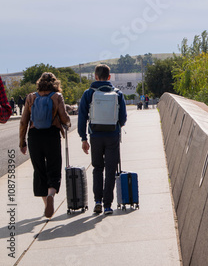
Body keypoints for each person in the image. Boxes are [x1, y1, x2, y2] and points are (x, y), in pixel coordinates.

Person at [19, 72, 71, 218]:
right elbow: (64, 117)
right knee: (54, 168)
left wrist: (22, 142)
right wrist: (68, 123)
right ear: (55, 83)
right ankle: (51, 196)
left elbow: (23, 121)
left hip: (34, 136)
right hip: (51, 135)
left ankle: (46, 205)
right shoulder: (56, 97)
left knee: (39, 170)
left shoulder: (30, 97)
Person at [78, 64, 127, 215]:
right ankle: (107, 205)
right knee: (111, 170)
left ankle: (97, 201)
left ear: (95, 77)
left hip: (95, 136)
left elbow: (82, 117)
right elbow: (123, 118)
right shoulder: (118, 93)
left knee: (97, 169)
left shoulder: (88, 93)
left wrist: (83, 138)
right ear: (109, 77)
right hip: (112, 136)